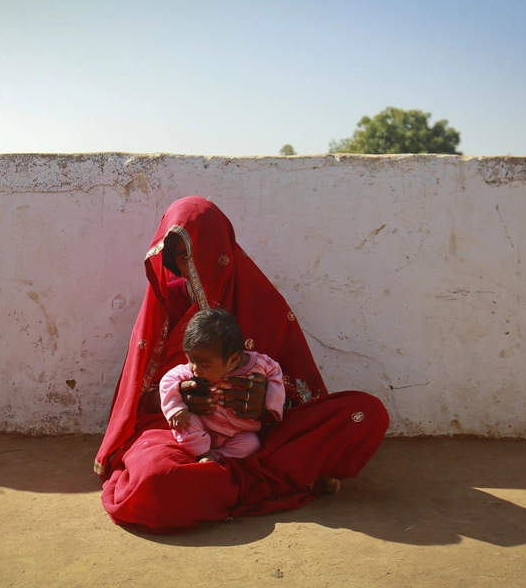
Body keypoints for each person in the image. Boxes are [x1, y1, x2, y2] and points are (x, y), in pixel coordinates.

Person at [95, 196, 389, 534]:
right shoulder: (167, 301)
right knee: (155, 484)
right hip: (183, 437)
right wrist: (180, 399)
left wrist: (265, 402)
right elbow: (136, 401)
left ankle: (219, 483)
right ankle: (277, 480)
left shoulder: (262, 300)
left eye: (194, 255)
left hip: (254, 437)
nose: (189, 267)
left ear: (220, 250)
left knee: (366, 413)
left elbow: (299, 397)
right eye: (179, 258)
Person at [160, 308, 286, 463]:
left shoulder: (260, 365)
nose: (194, 369)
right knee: (186, 423)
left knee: (251, 444)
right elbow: (168, 379)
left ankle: (216, 458)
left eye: (205, 365)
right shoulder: (195, 365)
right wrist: (175, 408)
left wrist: (271, 405)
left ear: (233, 360)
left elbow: (275, 373)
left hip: (237, 432)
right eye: (190, 361)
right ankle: (202, 454)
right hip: (203, 423)